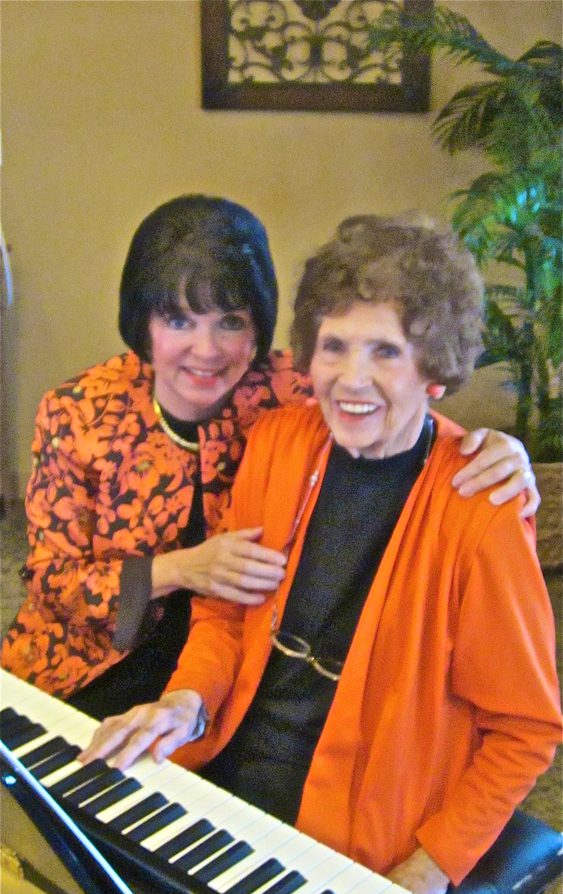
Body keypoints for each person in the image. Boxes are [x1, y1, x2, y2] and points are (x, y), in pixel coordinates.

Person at [80, 215, 561, 894]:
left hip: (353, 827)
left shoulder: (476, 507)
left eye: (386, 352)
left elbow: (525, 728)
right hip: (226, 761)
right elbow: (222, 614)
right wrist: (184, 704)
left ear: (433, 368)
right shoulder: (279, 442)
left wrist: (431, 867)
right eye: (333, 346)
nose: (350, 378)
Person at [2, 197, 539, 720]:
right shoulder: (78, 412)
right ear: (141, 321)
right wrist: (180, 570)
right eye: (178, 320)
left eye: (231, 321)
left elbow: (392, 405)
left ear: (260, 324)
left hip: (233, 650)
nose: (206, 350)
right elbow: (51, 582)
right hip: (93, 657)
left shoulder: (290, 386)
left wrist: (492, 448)